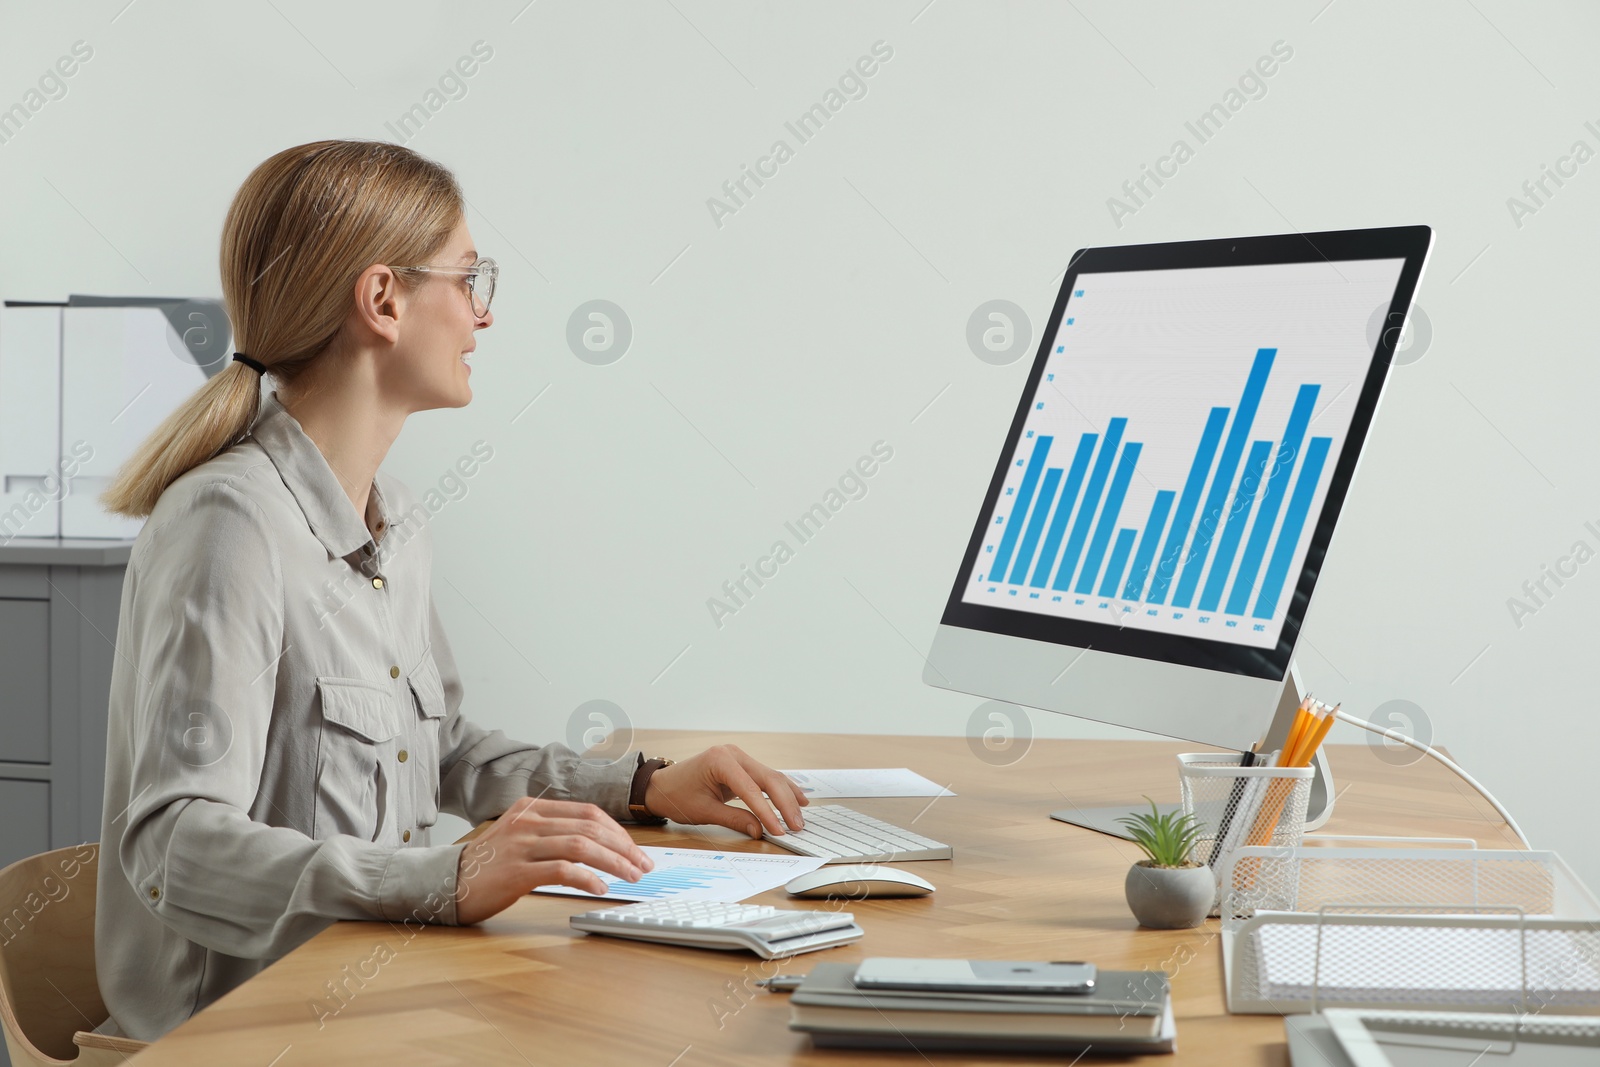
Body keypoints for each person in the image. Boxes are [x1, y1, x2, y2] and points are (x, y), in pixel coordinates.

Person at [91, 139, 808, 1042]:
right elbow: (175, 846)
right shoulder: (227, 525)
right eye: (470, 280)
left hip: (369, 989)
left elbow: (440, 749)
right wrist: (445, 879)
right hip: (239, 1035)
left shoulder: (398, 521)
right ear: (383, 300)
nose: (484, 317)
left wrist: (643, 785)